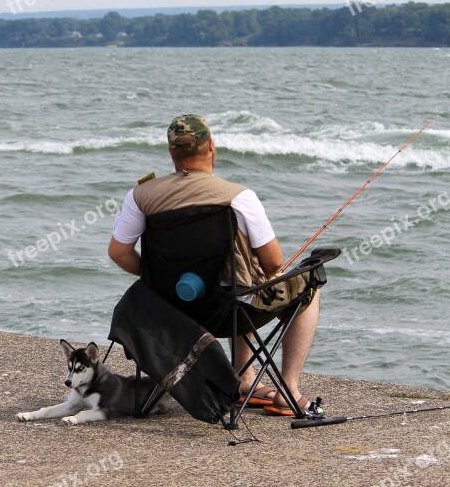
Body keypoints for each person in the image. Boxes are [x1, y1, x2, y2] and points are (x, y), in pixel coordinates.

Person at [107, 114, 321, 415]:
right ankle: (288, 389)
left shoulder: (140, 196)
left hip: (170, 314)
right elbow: (273, 262)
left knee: (239, 281)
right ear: (211, 147)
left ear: (171, 153)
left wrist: (156, 276)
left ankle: (245, 378)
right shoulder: (239, 197)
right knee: (307, 287)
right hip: (229, 313)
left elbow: (119, 253)